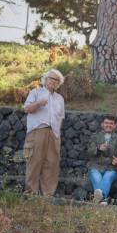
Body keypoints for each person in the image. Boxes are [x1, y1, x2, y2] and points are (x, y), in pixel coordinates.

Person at [23, 68, 65, 196]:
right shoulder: (35, 92)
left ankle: (47, 196)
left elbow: (61, 118)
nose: (54, 81)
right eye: (51, 78)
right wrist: (39, 103)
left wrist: (57, 135)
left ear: (59, 84)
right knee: (34, 162)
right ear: (45, 79)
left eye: (57, 80)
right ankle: (31, 194)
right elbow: (27, 109)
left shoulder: (60, 98)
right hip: (38, 131)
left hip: (54, 134)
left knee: (51, 164)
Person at [86, 115, 117, 204]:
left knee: (108, 176)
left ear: (115, 126)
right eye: (106, 123)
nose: (108, 125)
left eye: (111, 123)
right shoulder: (95, 136)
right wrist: (98, 148)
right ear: (102, 124)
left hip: (112, 168)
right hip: (96, 166)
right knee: (96, 177)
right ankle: (103, 200)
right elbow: (89, 151)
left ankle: (99, 199)